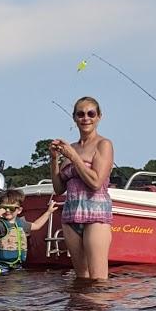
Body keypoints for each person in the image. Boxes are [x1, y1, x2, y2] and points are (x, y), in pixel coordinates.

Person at [50, 95, 115, 280]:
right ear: (74, 118)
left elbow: (95, 182)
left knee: (98, 278)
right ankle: (81, 310)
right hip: (71, 215)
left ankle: (99, 309)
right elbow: (58, 188)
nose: (85, 118)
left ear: (99, 117)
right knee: (81, 277)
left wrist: (74, 157)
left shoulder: (104, 144)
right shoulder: (70, 147)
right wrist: (54, 159)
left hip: (95, 213)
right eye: (80, 114)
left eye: (91, 113)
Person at [0, 187, 59, 274]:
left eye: (12, 208)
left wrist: (48, 212)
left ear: (19, 210)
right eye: (5, 208)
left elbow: (37, 225)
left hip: (17, 266)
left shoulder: (21, 223)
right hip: (1, 267)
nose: (8, 211)